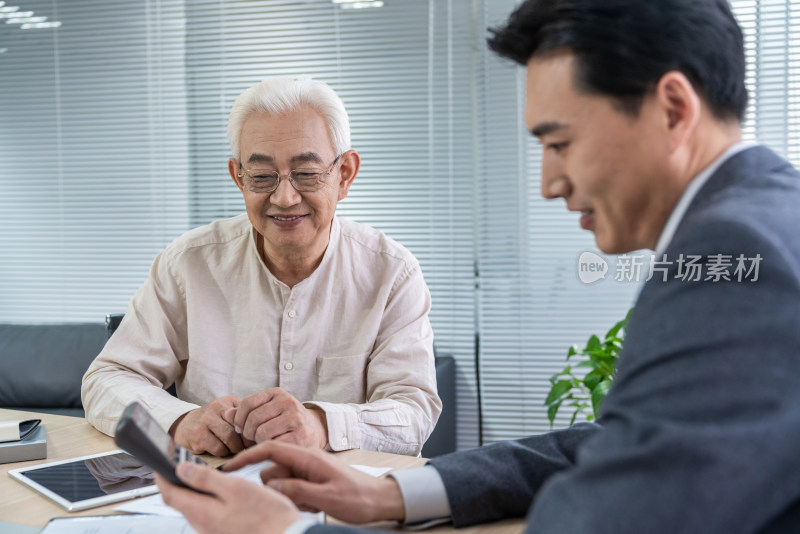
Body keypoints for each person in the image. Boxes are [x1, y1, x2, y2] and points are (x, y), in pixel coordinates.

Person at [155, 0, 800, 532]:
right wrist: (394, 495)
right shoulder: (764, 218)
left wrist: (285, 530)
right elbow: (618, 441)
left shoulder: (738, 254)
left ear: (673, 110)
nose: (548, 182)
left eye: (560, 143)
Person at [81, 76, 441, 457]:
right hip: (218, 492)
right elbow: (107, 379)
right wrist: (178, 420)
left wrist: (321, 425)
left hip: (345, 498)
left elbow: (413, 413)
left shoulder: (391, 272)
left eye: (306, 174)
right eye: (262, 177)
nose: (284, 198)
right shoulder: (189, 263)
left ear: (345, 175)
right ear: (239, 177)